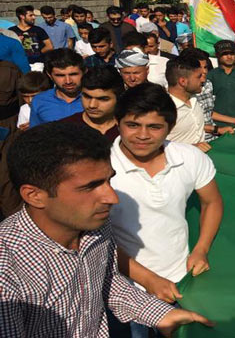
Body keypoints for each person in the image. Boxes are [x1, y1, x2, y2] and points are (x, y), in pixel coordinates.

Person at [1, 122, 214, 336]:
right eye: (90, 187)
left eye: (109, 180)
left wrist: (160, 314)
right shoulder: (6, 269)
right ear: (34, 195)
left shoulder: (96, 227)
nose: (112, 198)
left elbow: (106, 281)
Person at [105, 84, 223, 336]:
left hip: (183, 283)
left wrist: (201, 249)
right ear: (117, 122)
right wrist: (148, 280)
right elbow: (94, 240)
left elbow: (212, 202)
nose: (142, 135)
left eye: (154, 127)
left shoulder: (190, 157)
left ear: (170, 127)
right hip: (123, 290)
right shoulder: (101, 167)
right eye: (133, 125)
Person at [181, 48, 235, 142]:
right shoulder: (180, 90)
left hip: (212, 138)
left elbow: (209, 113)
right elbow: (185, 124)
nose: (204, 71)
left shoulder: (208, 84)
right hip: (194, 142)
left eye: (205, 67)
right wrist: (217, 129)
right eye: (199, 67)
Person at [60, 66, 123, 141]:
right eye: (87, 97)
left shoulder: (130, 129)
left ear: (119, 98)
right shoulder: (63, 129)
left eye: (102, 99)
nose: (92, 105)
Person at [29, 49, 84, 127]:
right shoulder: (39, 101)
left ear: (84, 72)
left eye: (73, 74)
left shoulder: (96, 99)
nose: (68, 81)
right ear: (49, 75)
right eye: (60, 75)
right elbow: (35, 132)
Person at [166, 55, 210, 150]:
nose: (203, 80)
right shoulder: (162, 109)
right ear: (183, 81)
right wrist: (190, 148)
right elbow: (153, 144)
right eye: (198, 77)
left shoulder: (194, 99)